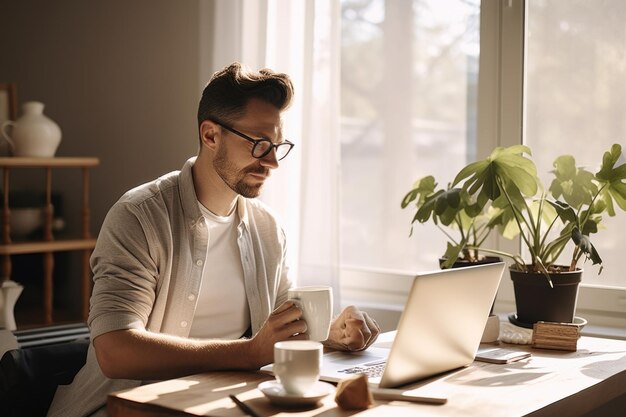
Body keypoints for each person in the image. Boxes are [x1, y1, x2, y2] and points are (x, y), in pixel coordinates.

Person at [47, 62, 380, 417]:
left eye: (278, 146)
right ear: (210, 136)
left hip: (221, 401)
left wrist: (334, 333)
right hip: (121, 406)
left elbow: (280, 336)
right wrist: (249, 353)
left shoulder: (269, 229)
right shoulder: (139, 217)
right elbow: (116, 351)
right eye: (259, 144)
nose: (272, 163)